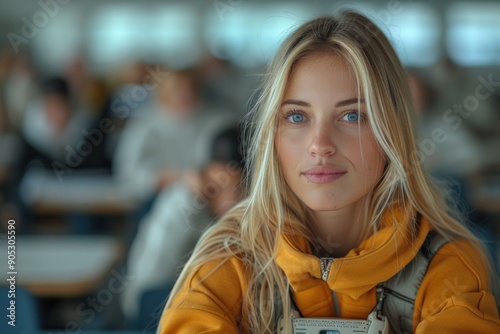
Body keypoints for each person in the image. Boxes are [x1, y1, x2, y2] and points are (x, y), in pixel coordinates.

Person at [158, 11, 500, 333]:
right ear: (271, 136)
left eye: (351, 116)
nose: (319, 145)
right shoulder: (227, 259)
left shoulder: (449, 266)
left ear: (393, 131)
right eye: (296, 117)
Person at [121, 125, 244, 327]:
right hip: (158, 306)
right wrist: (188, 203)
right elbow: (146, 286)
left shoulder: (250, 211)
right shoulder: (179, 203)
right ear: (206, 173)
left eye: (239, 187)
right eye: (223, 184)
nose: (230, 198)